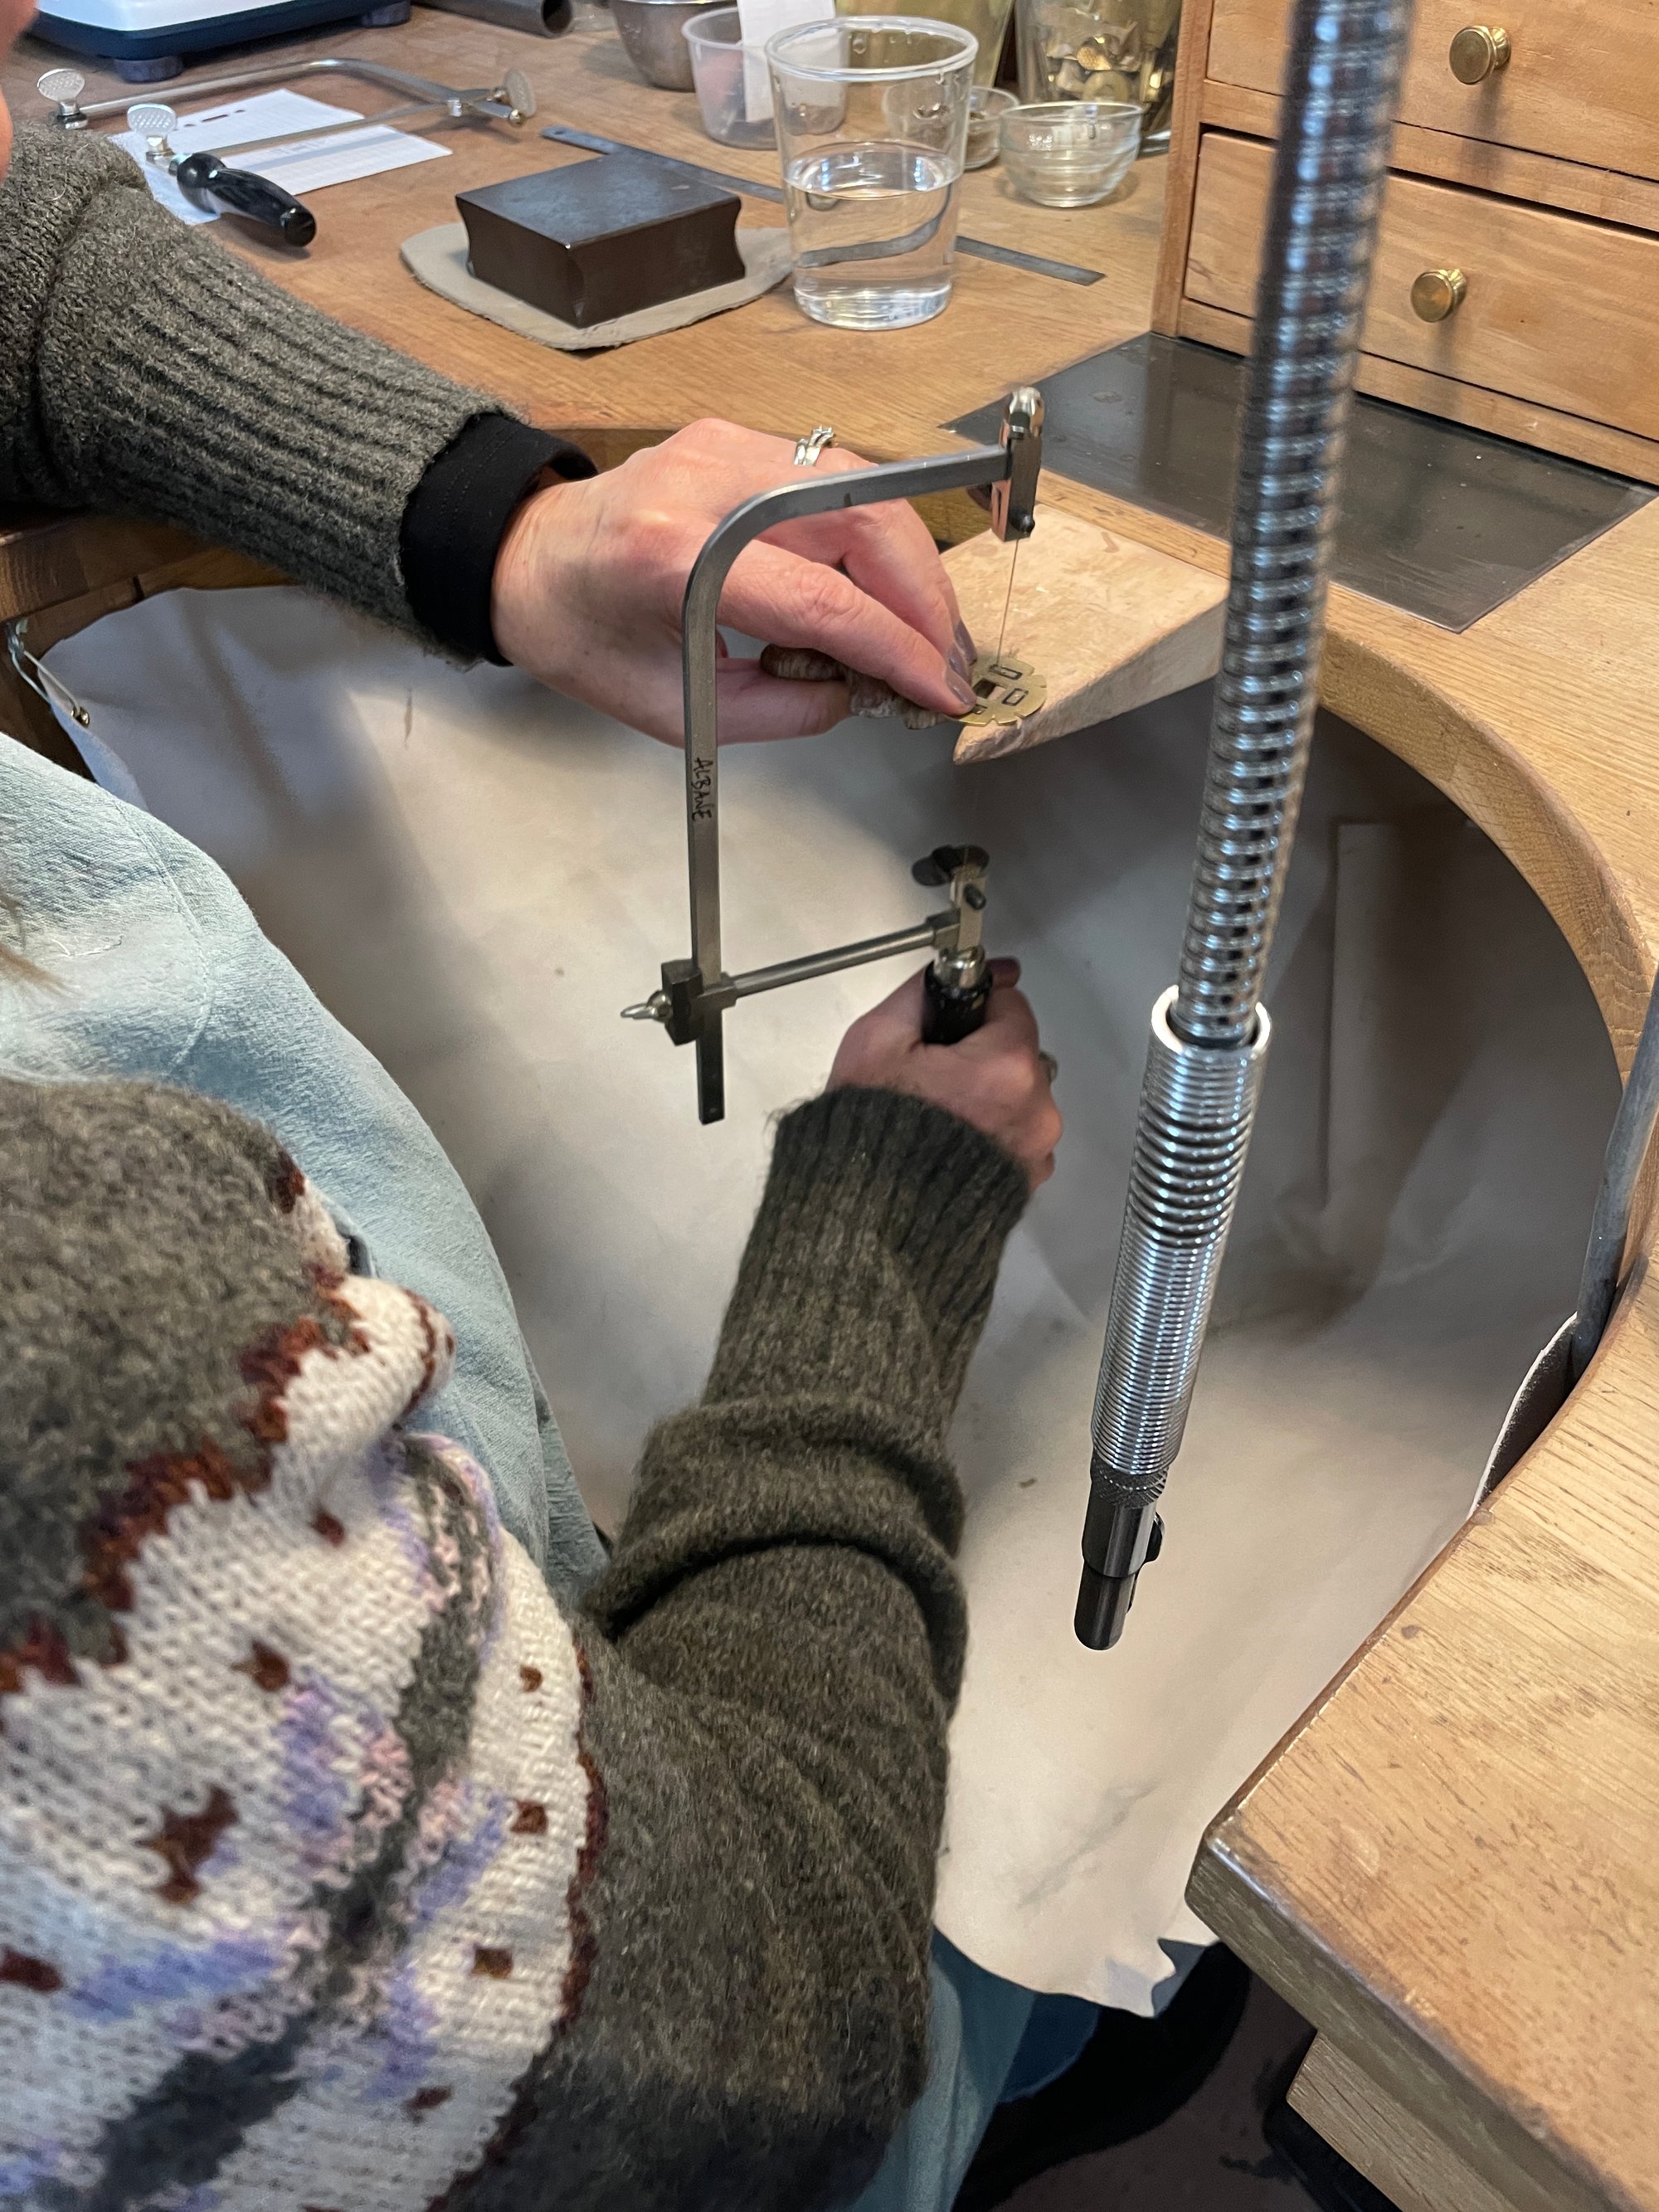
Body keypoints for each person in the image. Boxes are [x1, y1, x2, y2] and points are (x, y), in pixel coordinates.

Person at [0, 22, 1085, 2211]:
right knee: (1050, 1917)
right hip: (654, 2085)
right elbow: (784, 2021)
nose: (37, 26)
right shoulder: (63, 1418)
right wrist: (875, 1253)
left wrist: (505, 525)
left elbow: (21, 271)